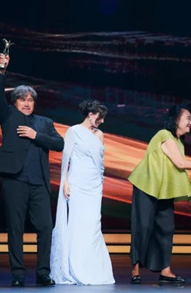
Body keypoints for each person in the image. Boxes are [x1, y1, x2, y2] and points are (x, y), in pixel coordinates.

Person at [0, 54, 65, 287]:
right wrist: (1, 72)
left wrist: (36, 135)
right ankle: (18, 274)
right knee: (16, 228)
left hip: (39, 182)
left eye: (30, 100)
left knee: (45, 227)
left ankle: (43, 273)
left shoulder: (44, 123)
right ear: (15, 103)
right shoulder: (8, 116)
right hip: (15, 180)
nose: (27, 103)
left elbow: (60, 144)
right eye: (22, 99)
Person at [128, 104, 191, 285]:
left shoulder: (179, 141)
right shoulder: (164, 135)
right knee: (142, 227)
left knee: (166, 228)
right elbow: (180, 163)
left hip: (164, 190)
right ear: (176, 119)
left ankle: (165, 270)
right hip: (147, 186)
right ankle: (135, 269)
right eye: (188, 118)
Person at [49, 100, 115, 285]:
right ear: (91, 115)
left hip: (94, 186)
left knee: (93, 226)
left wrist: (100, 183)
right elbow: (66, 159)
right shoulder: (74, 131)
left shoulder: (100, 134)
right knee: (78, 225)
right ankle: (75, 268)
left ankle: (93, 269)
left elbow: (100, 162)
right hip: (77, 184)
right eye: (100, 117)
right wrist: (65, 182)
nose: (102, 121)